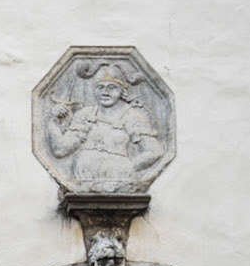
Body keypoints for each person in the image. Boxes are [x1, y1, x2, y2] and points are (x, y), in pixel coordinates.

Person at [46, 59, 164, 191]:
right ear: (94, 90)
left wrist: (126, 167)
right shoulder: (85, 114)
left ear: (122, 91)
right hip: (83, 182)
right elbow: (61, 150)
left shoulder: (132, 116)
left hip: (118, 182)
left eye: (112, 87)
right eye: (100, 87)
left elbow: (154, 151)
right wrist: (54, 121)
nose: (105, 92)